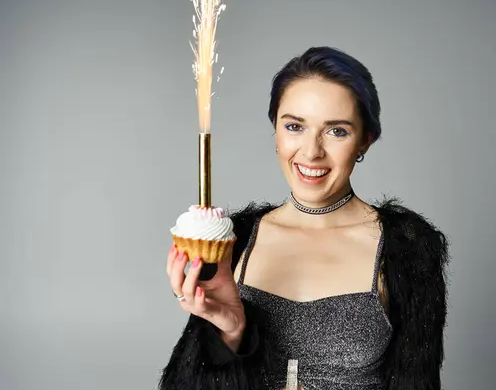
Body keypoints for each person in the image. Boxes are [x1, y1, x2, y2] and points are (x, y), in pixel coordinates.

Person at [159, 46, 449, 390]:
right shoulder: (231, 239)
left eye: (336, 131)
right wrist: (229, 331)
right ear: (276, 132)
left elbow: (418, 382)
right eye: (295, 126)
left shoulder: (406, 248)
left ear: (365, 141)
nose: (312, 151)